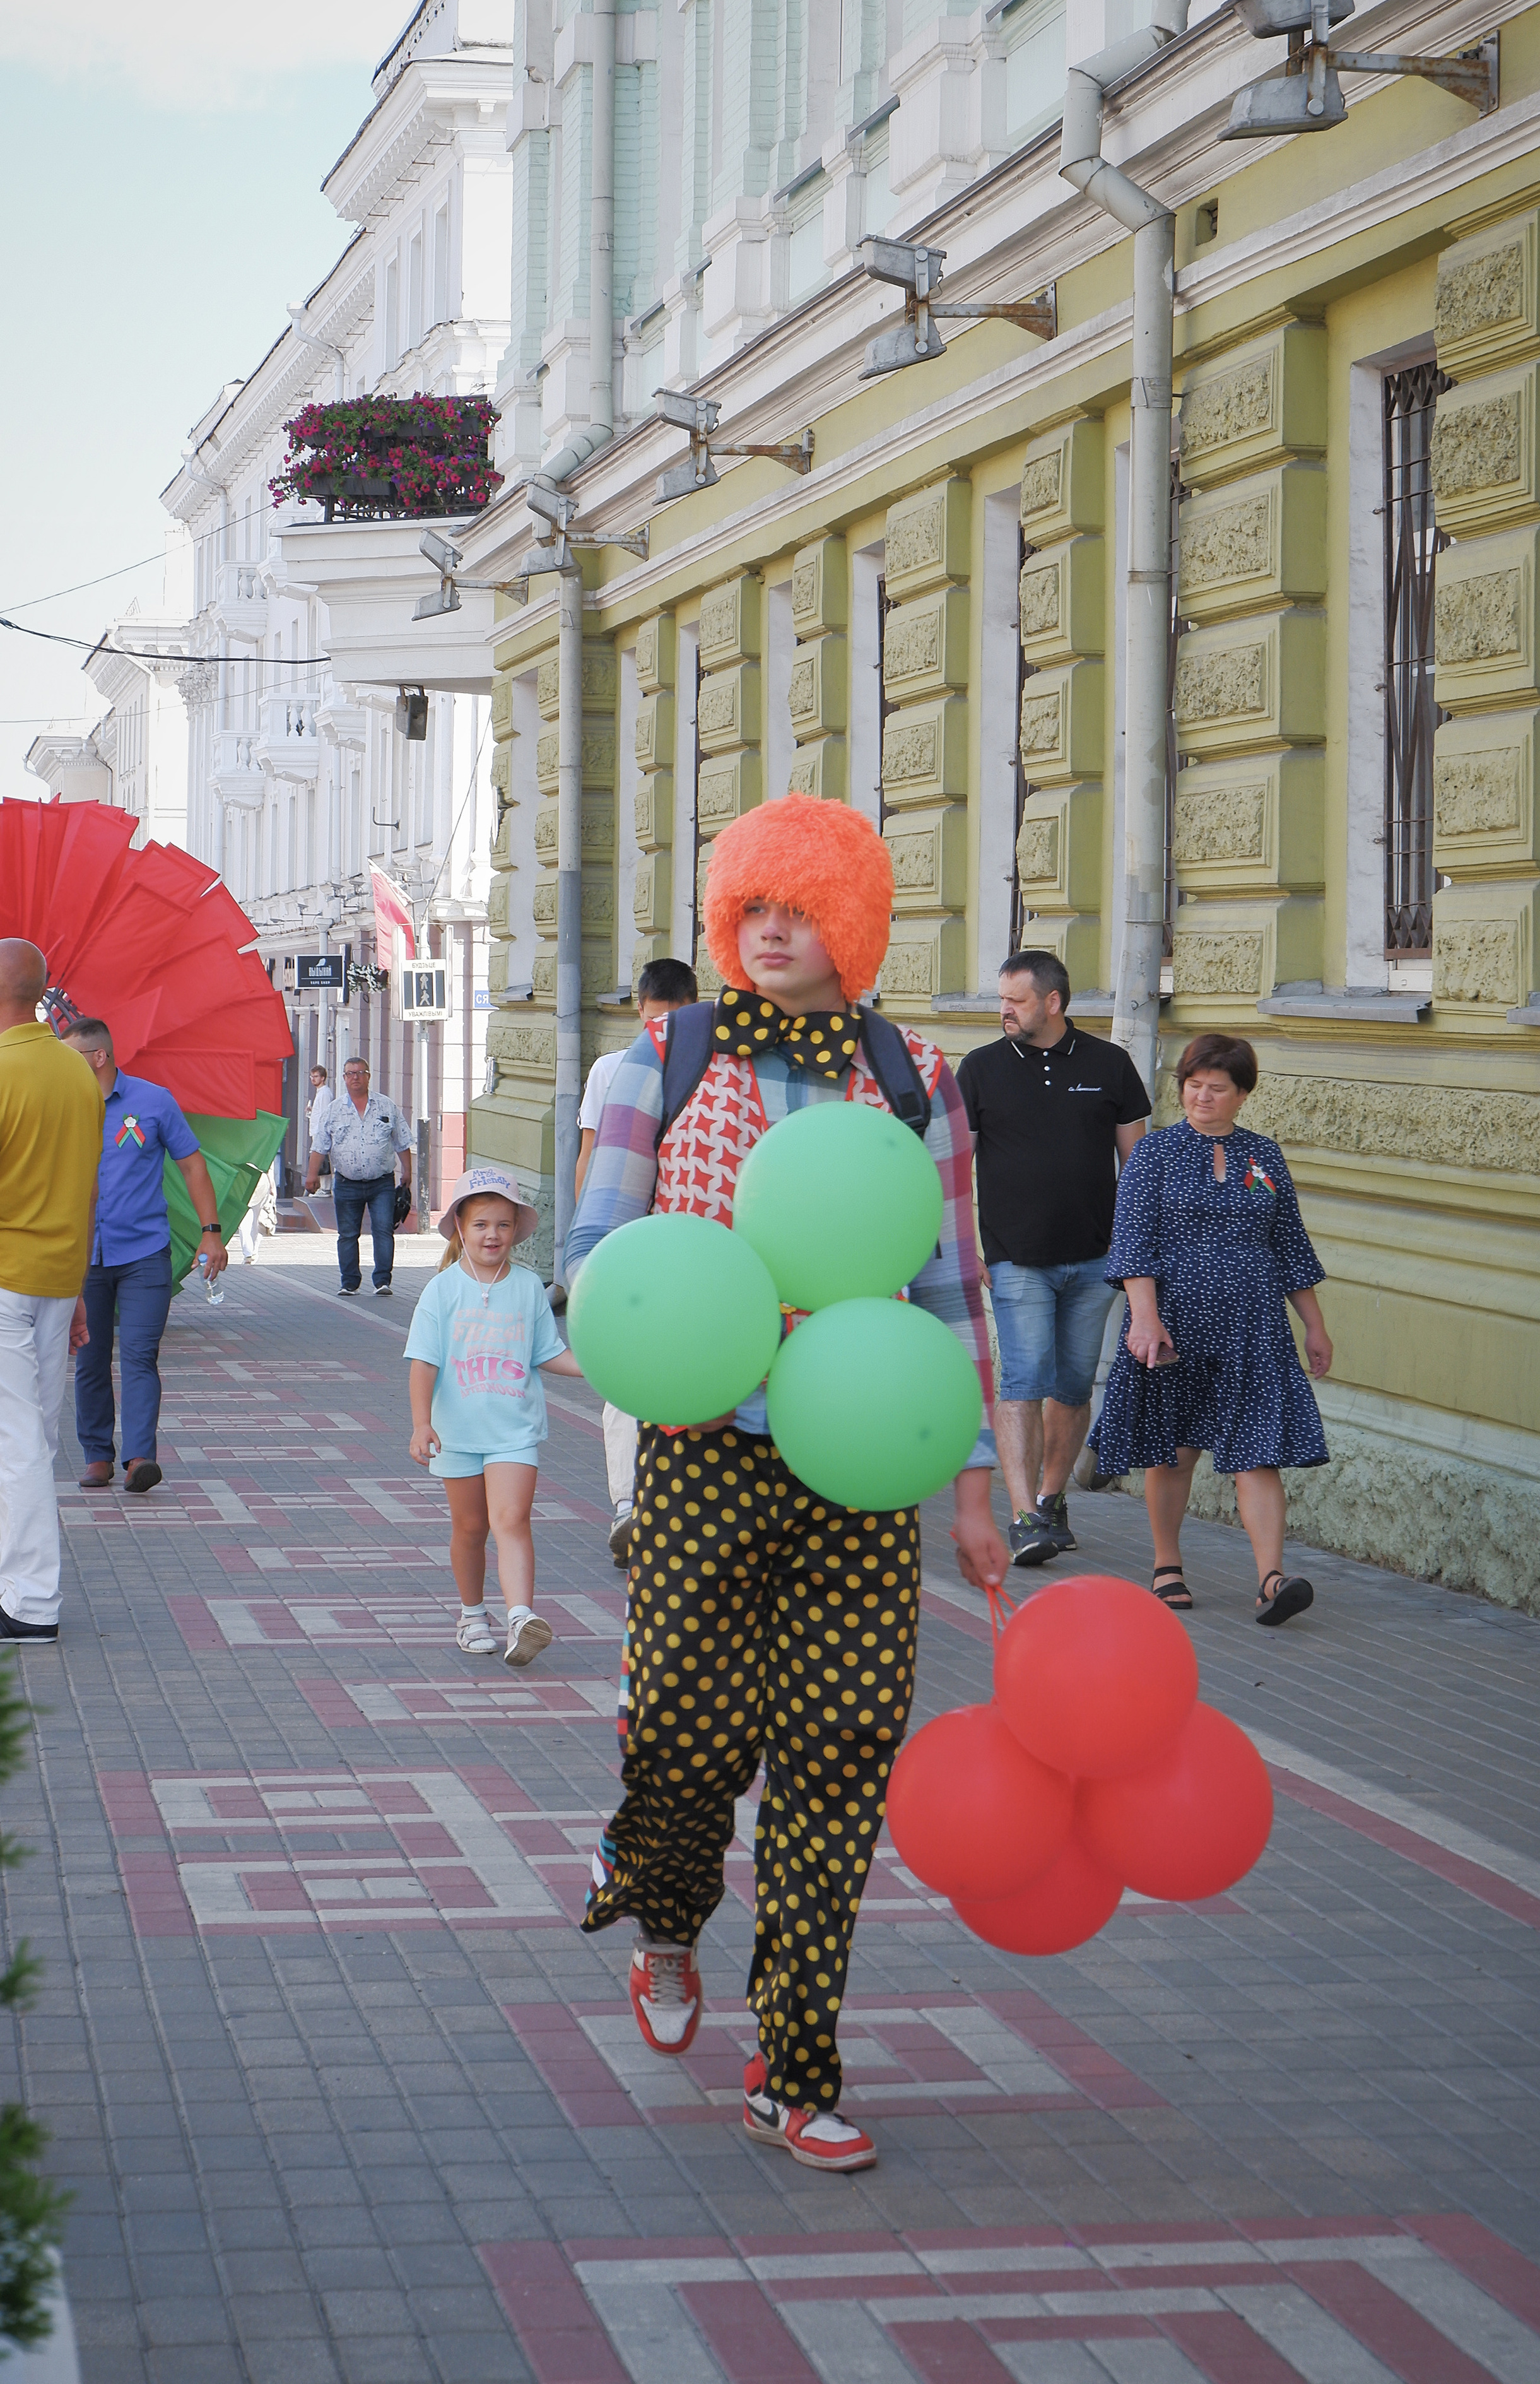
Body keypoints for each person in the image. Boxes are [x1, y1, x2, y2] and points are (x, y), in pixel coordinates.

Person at [564, 792, 1007, 2176]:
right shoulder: (660, 1061)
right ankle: (667, 1914)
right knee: (690, 1737)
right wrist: (681, 1315)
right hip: (705, 1451)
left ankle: (796, 2068)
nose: (769, 929)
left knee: (838, 1761)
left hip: (863, 1466)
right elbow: (590, 1257)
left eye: (799, 909)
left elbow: (951, 1285)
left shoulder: (912, 1080)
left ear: (850, 924)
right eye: (751, 905)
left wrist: (977, 1480)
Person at [1091, 1031, 1332, 1626]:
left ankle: (1271, 1579)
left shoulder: (1264, 1156)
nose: (1202, 1097)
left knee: (1259, 1453)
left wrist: (1315, 1327)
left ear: (1242, 1094)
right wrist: (1144, 1320)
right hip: (1174, 1325)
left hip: (1254, 1327)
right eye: (1193, 1086)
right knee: (1174, 1453)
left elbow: (1289, 1245)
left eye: (1216, 1088)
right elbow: (1134, 1241)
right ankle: (1168, 1565)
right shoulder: (1156, 1154)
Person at [957, 950, 1151, 1569]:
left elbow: (1138, 1169)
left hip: (1095, 1261)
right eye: (1001, 999)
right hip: (1016, 1259)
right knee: (1022, 1381)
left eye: (1014, 1001)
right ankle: (1022, 1516)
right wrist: (967, 1248)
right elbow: (955, 1167)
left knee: (1070, 1386)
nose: (1003, 1011)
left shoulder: (1110, 1065)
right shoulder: (981, 1070)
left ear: (1053, 1002)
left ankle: (1049, 1499)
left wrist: (1133, 1251)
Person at [405, 1169, 585, 1667]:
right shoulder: (442, 1291)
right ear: (461, 1227)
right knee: (470, 1528)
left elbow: (548, 1353)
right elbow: (424, 1362)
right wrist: (422, 1424)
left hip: (513, 1432)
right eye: (482, 1223)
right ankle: (471, 1615)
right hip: (457, 1434)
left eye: (503, 1225)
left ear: (516, 1231)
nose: (492, 1235)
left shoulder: (530, 1288)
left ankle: (522, 1617)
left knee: (512, 1520)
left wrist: (599, 1366)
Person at [64, 1017, 228, 1497]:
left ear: (100, 1056)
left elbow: (192, 1163)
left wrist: (211, 1233)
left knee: (139, 1354)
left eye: (70, 1056)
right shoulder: (63, 1103)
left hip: (143, 1255)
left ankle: (140, 1458)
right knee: (90, 1358)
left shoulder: (153, 1102)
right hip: (83, 1258)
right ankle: (97, 1456)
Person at [576, 958, 699, 1566]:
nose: (663, 1033)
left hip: (690, 1256)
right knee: (626, 1382)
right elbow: (591, 1155)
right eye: (653, 1021)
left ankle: (676, 1506)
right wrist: (585, 1244)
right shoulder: (611, 1070)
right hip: (627, 1250)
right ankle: (628, 1506)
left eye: (674, 1021)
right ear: (638, 1012)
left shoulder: (714, 1070)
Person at [0, 942, 103, 1641]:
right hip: (61, 1278)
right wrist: (82, 1292)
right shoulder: (77, 1071)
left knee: (17, 1444)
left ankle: (31, 1602)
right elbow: (86, 1183)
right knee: (28, 1435)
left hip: (5, 1278)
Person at [305, 1056, 412, 1299]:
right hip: (346, 1183)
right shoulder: (334, 1110)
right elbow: (320, 1145)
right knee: (348, 1234)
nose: (355, 1077)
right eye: (350, 1073)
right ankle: (350, 1283)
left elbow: (402, 1140)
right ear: (344, 1078)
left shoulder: (386, 1106)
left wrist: (407, 1171)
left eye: (359, 1073)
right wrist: (312, 1175)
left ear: (368, 1076)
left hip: (382, 1183)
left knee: (384, 1230)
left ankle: (382, 1281)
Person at [234, 1166, 277, 1265]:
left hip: (246, 1182)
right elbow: (269, 1167)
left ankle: (249, 1252)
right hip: (261, 1182)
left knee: (245, 1220)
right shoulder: (264, 1150)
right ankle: (252, 1251)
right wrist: (272, 1187)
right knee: (255, 1220)